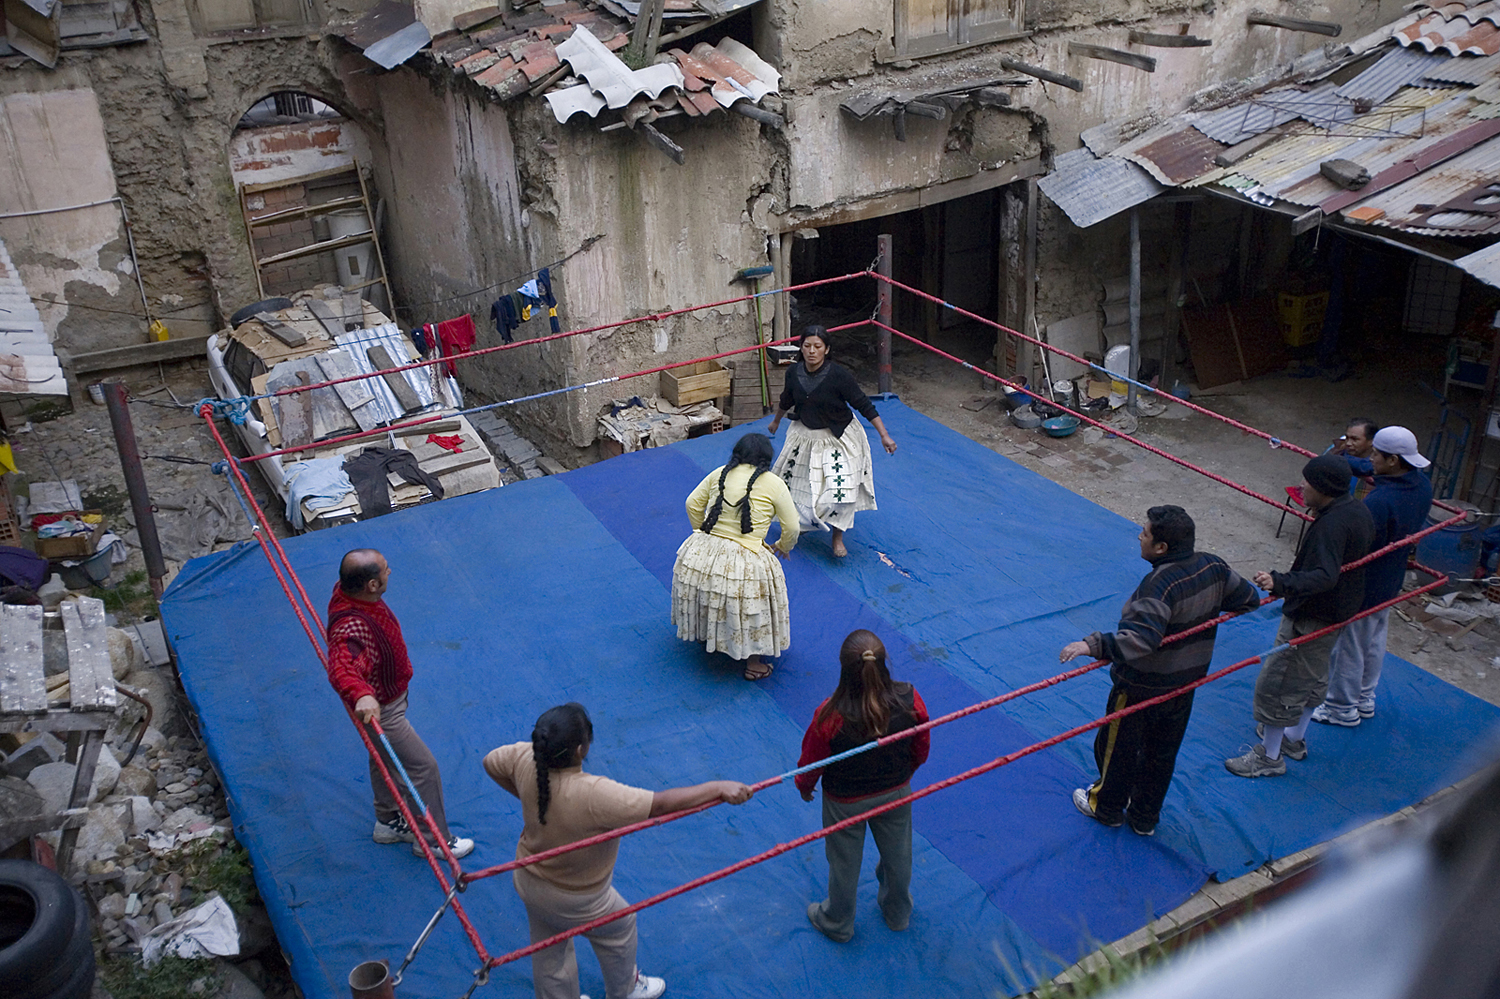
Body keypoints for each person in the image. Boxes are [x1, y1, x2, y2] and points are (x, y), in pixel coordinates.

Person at [484, 703, 752, 999]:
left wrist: (530, 806)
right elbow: (660, 804)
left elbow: (490, 761)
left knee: (548, 950)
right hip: (578, 898)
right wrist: (718, 786)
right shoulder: (594, 793)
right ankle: (625, 990)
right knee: (620, 927)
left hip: (528, 878)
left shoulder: (525, 757)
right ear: (580, 750)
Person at [1060, 505, 1260, 835]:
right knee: (1161, 753)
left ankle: (1106, 807)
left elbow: (1142, 639)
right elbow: (1248, 598)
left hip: (1141, 686)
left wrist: (1092, 645)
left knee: (1117, 748)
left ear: (1161, 548)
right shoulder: (1213, 566)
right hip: (1184, 684)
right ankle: (1144, 818)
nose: (1140, 537)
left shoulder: (1159, 585)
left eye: (1146, 533)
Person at [1226, 455, 1374, 778]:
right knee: (1313, 677)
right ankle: (1293, 739)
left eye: (1308, 481)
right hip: (1336, 612)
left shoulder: (1332, 525)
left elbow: (1324, 575)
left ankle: (1270, 756)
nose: (1302, 486)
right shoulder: (1358, 511)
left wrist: (1281, 582)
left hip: (1314, 613)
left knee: (1279, 682)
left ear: (1323, 488)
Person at [325, 549, 474, 858]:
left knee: (383, 756)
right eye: (385, 570)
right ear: (371, 585)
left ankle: (389, 819)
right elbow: (341, 666)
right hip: (382, 708)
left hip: (388, 698)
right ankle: (432, 841)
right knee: (422, 767)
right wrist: (361, 693)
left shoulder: (349, 593)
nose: (389, 572)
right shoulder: (350, 626)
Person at [795, 630, 929, 943]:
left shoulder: (829, 714)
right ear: (884, 664)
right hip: (895, 790)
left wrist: (805, 785)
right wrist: (905, 772)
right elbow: (922, 743)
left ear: (844, 668)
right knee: (899, 855)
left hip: (845, 799)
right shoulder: (910, 697)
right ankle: (898, 913)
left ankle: (838, 922)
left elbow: (812, 759)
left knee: (844, 864)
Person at [1313, 426, 1433, 727]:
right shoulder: (1421, 485)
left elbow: (1357, 542)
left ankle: (1341, 707)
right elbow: (1368, 467)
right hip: (1391, 578)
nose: (1372, 459)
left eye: (1377, 454)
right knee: (1373, 640)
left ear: (1392, 460)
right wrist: (1341, 461)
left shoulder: (1379, 503)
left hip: (1366, 582)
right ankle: (1364, 698)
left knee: (1350, 647)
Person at [671, 433, 799, 681]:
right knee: (754, 605)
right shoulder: (773, 483)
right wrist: (783, 546)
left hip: (702, 552)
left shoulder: (719, 473)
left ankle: (706, 635)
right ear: (766, 459)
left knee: (709, 588)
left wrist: (701, 533)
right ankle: (753, 663)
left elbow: (691, 503)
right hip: (746, 556)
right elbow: (792, 528)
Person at [768, 327, 897, 558]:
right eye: (807, 346)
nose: (811, 351)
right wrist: (776, 421)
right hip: (805, 435)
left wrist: (884, 435)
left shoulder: (839, 376)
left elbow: (863, 404)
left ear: (826, 350)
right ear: (801, 348)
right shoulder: (793, 373)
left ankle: (837, 536)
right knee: (800, 486)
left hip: (837, 437)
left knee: (841, 490)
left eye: (817, 346)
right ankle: (805, 523)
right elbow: (786, 399)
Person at [1330, 417, 1378, 498]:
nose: (1348, 443)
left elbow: (1365, 467)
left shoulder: (1381, 461)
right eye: (1347, 438)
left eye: (1354, 439)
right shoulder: (1336, 449)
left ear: (1371, 441)